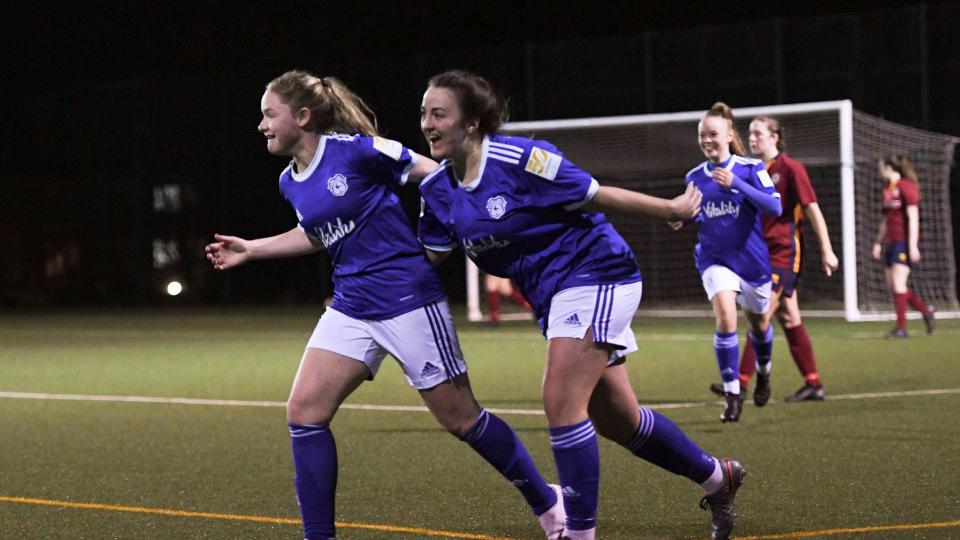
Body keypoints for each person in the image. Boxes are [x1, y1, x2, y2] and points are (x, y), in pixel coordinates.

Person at [205, 70, 565, 540]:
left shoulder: (357, 150)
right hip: (352, 305)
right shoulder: (290, 181)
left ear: (303, 116)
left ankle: (549, 504)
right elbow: (315, 234)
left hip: (407, 298)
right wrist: (252, 249)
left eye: (269, 114)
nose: (262, 125)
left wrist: (439, 236)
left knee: (460, 419)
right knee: (304, 412)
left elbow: (436, 174)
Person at [418, 69, 745, 540]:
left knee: (560, 400)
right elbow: (424, 259)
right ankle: (718, 477)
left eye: (438, 113)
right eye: (423, 113)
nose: (427, 123)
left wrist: (670, 209)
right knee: (619, 420)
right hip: (552, 297)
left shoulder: (523, 158)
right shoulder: (437, 191)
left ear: (471, 123)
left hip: (598, 271)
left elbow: (595, 195)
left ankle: (579, 534)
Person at [709, 116, 839, 403]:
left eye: (758, 133)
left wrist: (827, 249)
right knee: (790, 317)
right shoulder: (752, 169)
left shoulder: (791, 169)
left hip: (783, 253)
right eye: (750, 134)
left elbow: (812, 209)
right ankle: (813, 383)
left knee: (760, 315)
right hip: (757, 254)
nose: (752, 138)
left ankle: (740, 384)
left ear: (774, 137)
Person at [673, 103, 782, 422]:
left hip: (752, 262)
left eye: (713, 134)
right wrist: (681, 219)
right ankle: (732, 393)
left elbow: (774, 207)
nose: (707, 140)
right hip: (714, 259)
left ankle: (763, 372)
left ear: (729, 135)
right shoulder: (694, 177)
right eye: (701, 135)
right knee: (725, 316)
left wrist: (737, 184)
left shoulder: (750, 168)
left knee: (759, 325)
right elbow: (697, 213)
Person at [872, 155, 935, 338]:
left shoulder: (906, 186)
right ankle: (926, 311)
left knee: (900, 285)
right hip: (891, 243)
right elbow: (886, 219)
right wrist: (878, 242)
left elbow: (913, 217)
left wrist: (913, 245)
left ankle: (901, 329)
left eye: (882, 166)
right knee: (896, 288)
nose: (880, 169)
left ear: (890, 167)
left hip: (903, 242)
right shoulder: (888, 189)